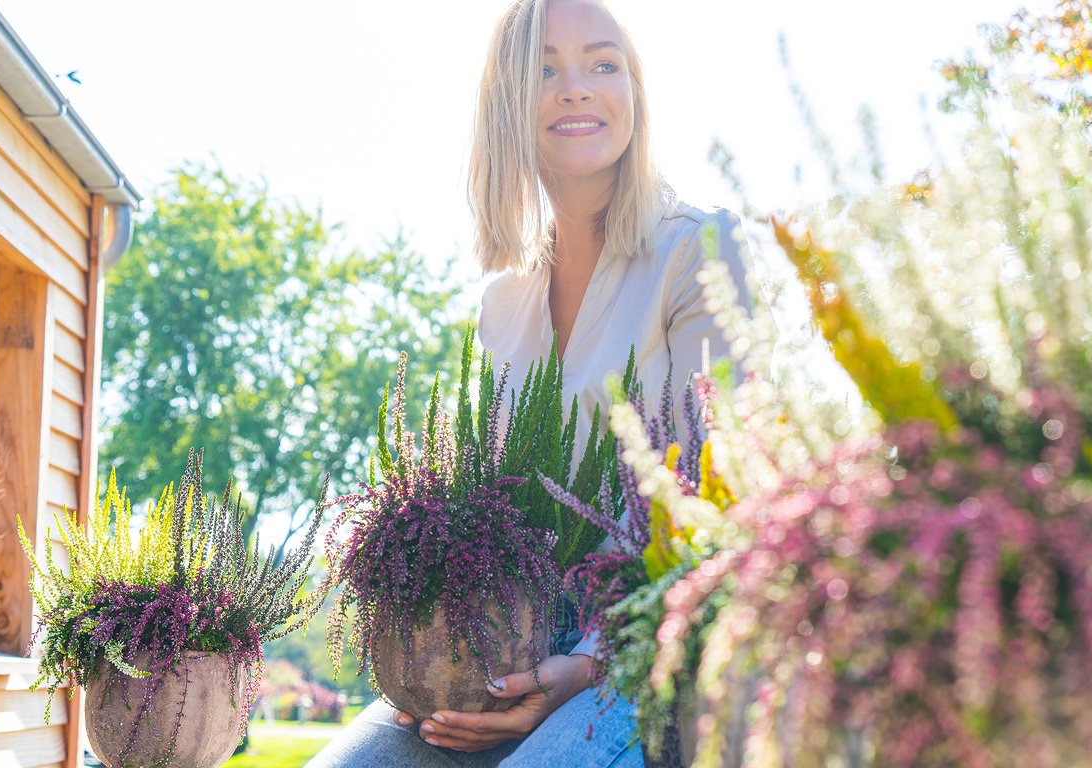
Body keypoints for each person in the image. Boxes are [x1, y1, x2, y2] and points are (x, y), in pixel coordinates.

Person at [306, 1, 756, 765]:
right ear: (506, 103)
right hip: (503, 650)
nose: (576, 87)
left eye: (602, 64)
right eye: (544, 68)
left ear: (635, 93)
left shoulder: (701, 251)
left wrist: (583, 667)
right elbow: (496, 507)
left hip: (646, 653)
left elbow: (719, 503)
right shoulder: (503, 301)